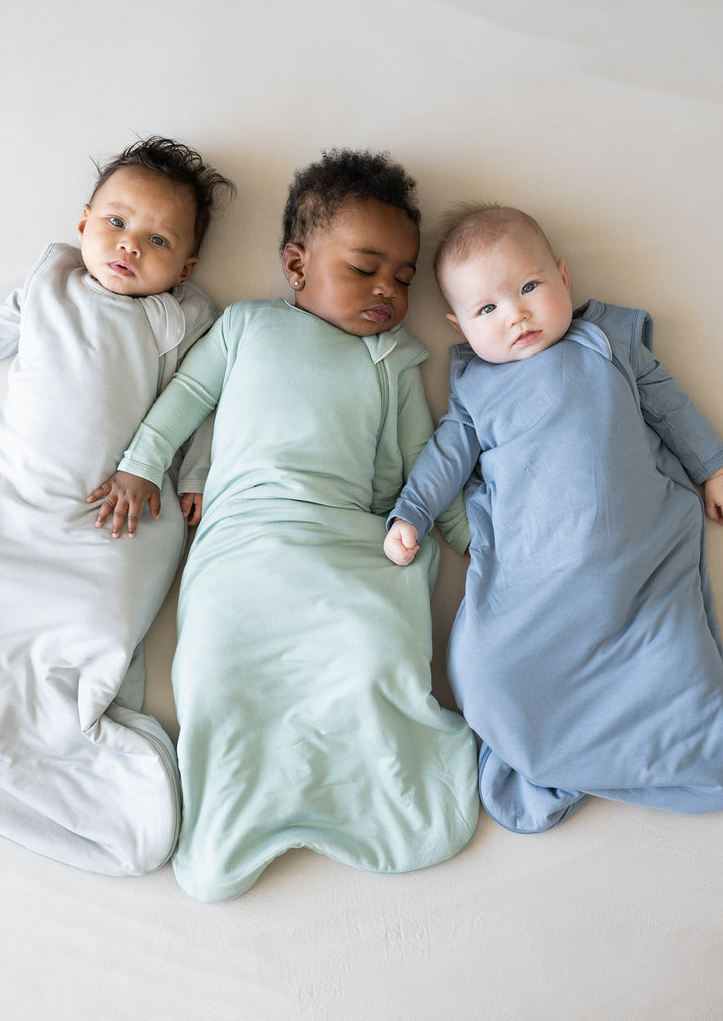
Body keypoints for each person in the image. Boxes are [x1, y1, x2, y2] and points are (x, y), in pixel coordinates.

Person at [94, 149, 479, 901]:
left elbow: (420, 470)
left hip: (345, 545)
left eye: (403, 277)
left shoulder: (390, 356)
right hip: (243, 549)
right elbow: (183, 400)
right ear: (297, 265)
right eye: (366, 267)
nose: (387, 291)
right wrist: (142, 464)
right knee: (213, 674)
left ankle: (367, 791)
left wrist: (474, 542)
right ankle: (239, 813)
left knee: (371, 656)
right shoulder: (244, 327)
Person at [0, 136, 234, 875]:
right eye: (118, 224)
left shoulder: (179, 318)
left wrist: (191, 477)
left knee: (99, 615)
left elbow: (196, 405)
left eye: (159, 240)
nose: (130, 246)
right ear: (84, 223)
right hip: (16, 493)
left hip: (112, 516)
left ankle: (73, 719)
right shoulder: (51, 283)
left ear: (186, 267)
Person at [385, 203, 723, 834]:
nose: (515, 313)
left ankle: (674, 746)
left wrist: (718, 470)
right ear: (458, 326)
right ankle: (550, 752)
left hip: (637, 565)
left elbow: (671, 406)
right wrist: (411, 512)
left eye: (529, 288)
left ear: (564, 278)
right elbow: (445, 458)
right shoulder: (476, 389)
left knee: (674, 657)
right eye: (487, 309)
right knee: (478, 667)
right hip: (535, 583)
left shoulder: (607, 341)